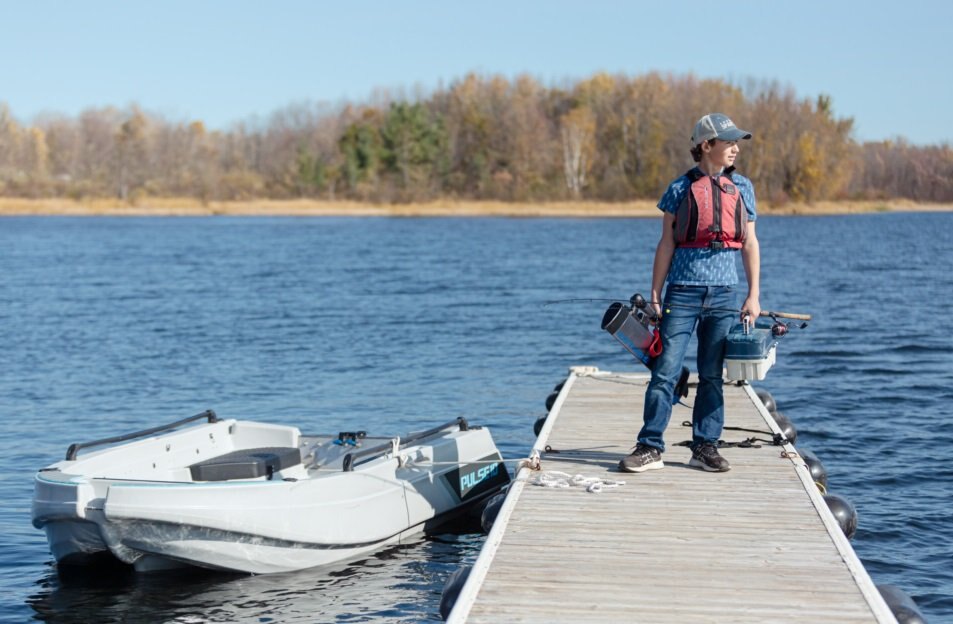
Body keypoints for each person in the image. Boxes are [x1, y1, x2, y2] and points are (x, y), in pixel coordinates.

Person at [619, 113, 761, 473]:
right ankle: (650, 446)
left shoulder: (743, 188)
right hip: (681, 293)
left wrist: (753, 294)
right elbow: (666, 243)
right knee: (665, 371)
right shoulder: (679, 189)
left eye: (736, 142)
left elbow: (750, 243)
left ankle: (705, 447)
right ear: (706, 146)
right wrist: (655, 293)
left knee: (712, 373)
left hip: (725, 295)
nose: (734, 148)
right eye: (727, 142)